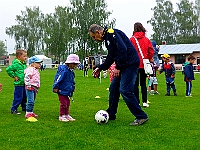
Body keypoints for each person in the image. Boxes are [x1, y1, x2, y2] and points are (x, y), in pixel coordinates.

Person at [89, 24, 148, 126]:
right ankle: (111, 113)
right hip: (124, 65)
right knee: (113, 88)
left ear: (98, 32)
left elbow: (123, 49)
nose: (95, 39)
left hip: (130, 64)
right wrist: (100, 67)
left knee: (125, 90)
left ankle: (141, 116)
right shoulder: (108, 38)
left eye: (94, 37)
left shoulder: (112, 34)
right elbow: (111, 57)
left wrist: (118, 67)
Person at [130, 22, 154, 108]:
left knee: (135, 84)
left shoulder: (132, 39)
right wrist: (149, 58)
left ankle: (137, 101)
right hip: (144, 64)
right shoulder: (146, 39)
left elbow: (128, 51)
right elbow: (151, 51)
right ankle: (145, 101)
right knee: (143, 83)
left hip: (134, 64)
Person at [53, 54, 80, 122]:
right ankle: (62, 115)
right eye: (74, 64)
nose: (75, 66)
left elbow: (72, 81)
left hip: (68, 90)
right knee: (63, 103)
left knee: (67, 103)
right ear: (69, 63)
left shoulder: (71, 72)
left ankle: (67, 114)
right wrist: (55, 87)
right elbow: (58, 79)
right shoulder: (64, 71)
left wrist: (73, 87)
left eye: (76, 64)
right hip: (61, 90)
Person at [6, 49, 27, 114]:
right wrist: (14, 76)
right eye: (24, 56)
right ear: (19, 57)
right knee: (18, 97)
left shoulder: (24, 64)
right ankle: (14, 109)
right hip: (19, 84)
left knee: (24, 96)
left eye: (26, 56)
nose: (25, 58)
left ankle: (24, 107)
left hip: (25, 83)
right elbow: (8, 69)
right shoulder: (16, 64)